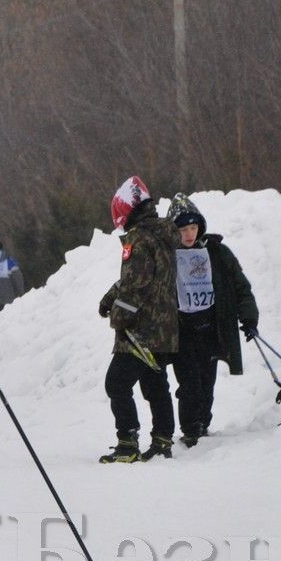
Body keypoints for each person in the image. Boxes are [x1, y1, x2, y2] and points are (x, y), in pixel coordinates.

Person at [165, 194, 261, 447]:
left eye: (193, 227)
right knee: (190, 383)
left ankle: (202, 425)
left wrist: (249, 317)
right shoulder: (165, 255)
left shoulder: (217, 253)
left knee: (207, 382)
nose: (188, 234)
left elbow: (240, 287)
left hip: (210, 329)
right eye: (183, 229)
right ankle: (191, 429)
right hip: (181, 330)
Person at [97, 176, 180, 463]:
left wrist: (118, 317)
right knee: (155, 382)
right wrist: (111, 295)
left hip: (141, 331)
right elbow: (149, 278)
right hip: (164, 328)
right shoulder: (164, 234)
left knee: (116, 384)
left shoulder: (138, 239)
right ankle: (162, 440)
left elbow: (134, 286)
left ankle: (127, 443)